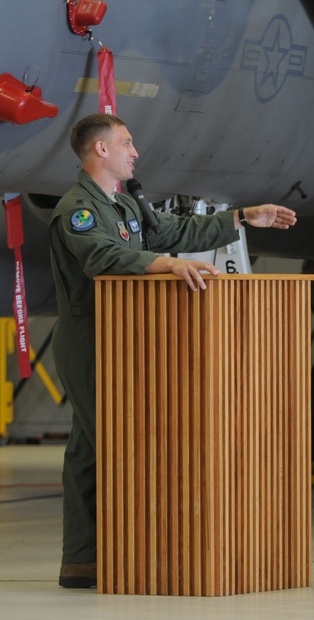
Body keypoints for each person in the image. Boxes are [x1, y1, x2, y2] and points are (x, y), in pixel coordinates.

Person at [50, 113, 298, 588]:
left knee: (89, 447)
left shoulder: (122, 205)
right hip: (89, 335)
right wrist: (162, 264)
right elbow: (102, 257)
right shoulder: (78, 209)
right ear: (100, 150)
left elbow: (173, 232)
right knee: (114, 443)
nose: (134, 151)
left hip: (121, 331)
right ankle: (132, 554)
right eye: (126, 142)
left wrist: (243, 218)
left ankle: (82, 560)